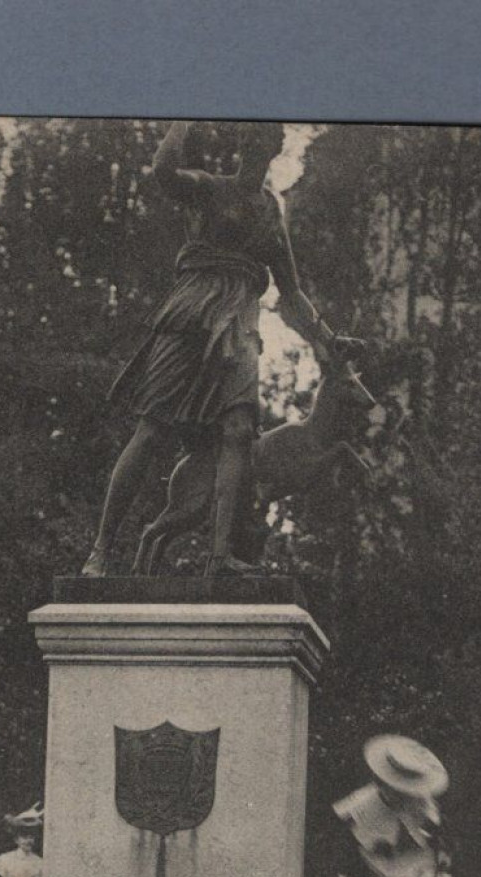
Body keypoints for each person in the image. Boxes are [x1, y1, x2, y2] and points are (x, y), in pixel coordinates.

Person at [82, 119, 354, 578]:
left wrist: (327, 339)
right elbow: (163, 173)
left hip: (241, 321)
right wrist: (181, 120)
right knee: (152, 430)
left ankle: (219, 556)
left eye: (264, 142)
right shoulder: (209, 189)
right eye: (249, 140)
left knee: (239, 432)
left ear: (273, 150)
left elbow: (291, 295)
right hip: (192, 312)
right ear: (239, 145)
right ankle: (101, 552)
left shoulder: (271, 211)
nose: (254, 148)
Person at [321, 735, 458, 877]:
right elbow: (344, 859)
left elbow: (440, 839)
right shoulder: (360, 807)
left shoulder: (423, 805)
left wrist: (443, 854)